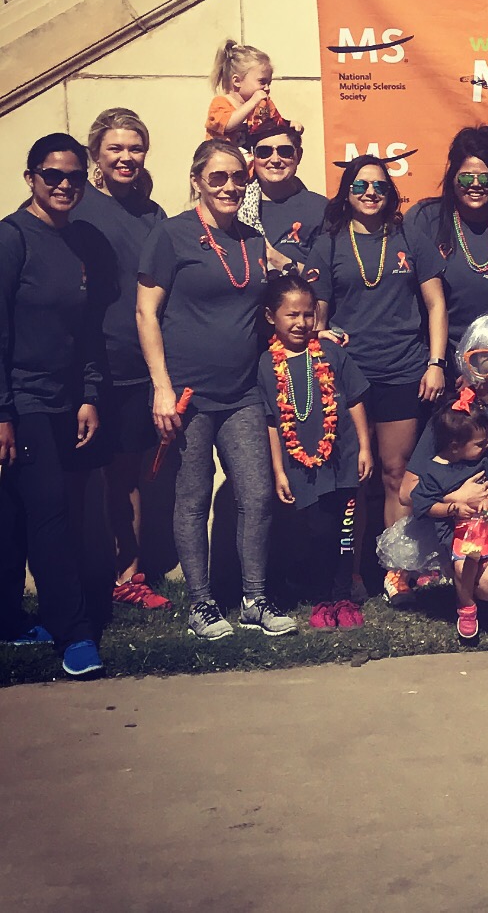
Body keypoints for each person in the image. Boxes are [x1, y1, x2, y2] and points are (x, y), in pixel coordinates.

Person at [137, 138, 295, 640]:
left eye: (236, 178)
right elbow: (146, 313)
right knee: (192, 497)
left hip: (243, 391)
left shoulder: (251, 240)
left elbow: (282, 289)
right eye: (217, 177)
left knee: (257, 493)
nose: (229, 186)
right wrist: (161, 387)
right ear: (196, 181)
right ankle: (202, 604)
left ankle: (253, 598)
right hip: (185, 395)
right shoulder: (171, 235)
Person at [305, 155, 448, 608]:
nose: (370, 194)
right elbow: (318, 312)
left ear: (391, 195)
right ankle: (348, 573)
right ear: (346, 193)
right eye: (361, 186)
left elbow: (436, 305)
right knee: (352, 480)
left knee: (393, 473)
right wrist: (320, 339)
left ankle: (396, 570)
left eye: (380, 187)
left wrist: (436, 361)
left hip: (404, 370)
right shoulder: (328, 241)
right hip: (348, 375)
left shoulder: (409, 236)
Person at [0, 134, 105, 676]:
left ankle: (10, 623)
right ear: (31, 179)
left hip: (65, 401)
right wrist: (3, 412)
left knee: (14, 515)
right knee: (51, 517)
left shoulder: (80, 241)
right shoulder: (11, 238)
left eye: (74, 177)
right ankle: (76, 635)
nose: (64, 185)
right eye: (52, 176)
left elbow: (86, 331)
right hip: (21, 399)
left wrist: (88, 395)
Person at [72, 107, 169, 609]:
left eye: (135, 148)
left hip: (138, 369)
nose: (126, 157)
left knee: (125, 475)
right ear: (96, 155)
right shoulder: (76, 204)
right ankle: (81, 575)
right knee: (79, 477)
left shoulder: (154, 216)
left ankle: (129, 574)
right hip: (88, 367)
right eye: (116, 148)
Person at [259, 274, 372, 629]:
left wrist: (365, 448)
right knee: (318, 532)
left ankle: (343, 596)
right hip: (303, 467)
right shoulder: (266, 364)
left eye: (308, 314)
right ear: (270, 317)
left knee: (344, 531)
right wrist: (278, 470)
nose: (301, 322)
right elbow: (272, 423)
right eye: (292, 315)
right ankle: (321, 597)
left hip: (343, 460)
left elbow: (355, 401)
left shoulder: (332, 353)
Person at [401, 404, 488, 641]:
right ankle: (466, 606)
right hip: (463, 529)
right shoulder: (433, 471)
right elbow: (422, 504)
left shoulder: (485, 459)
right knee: (466, 565)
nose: (486, 446)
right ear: (455, 447)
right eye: (480, 443)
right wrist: (452, 508)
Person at [411, 126, 488, 371]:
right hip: (436, 361)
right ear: (453, 178)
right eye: (466, 178)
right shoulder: (424, 219)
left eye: (485, 178)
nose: (476, 185)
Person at [237, 121, 327, 276]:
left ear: (298, 155)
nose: (275, 159)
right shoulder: (234, 207)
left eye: (284, 151)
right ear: (254, 157)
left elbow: (328, 278)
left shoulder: (320, 209)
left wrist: (279, 261)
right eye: (264, 152)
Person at [204, 39, 300, 147]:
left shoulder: (261, 105)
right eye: (262, 82)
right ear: (237, 81)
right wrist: (252, 102)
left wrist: (289, 125)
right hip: (225, 160)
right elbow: (227, 125)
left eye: (269, 83)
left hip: (250, 162)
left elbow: (275, 124)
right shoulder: (220, 103)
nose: (267, 88)